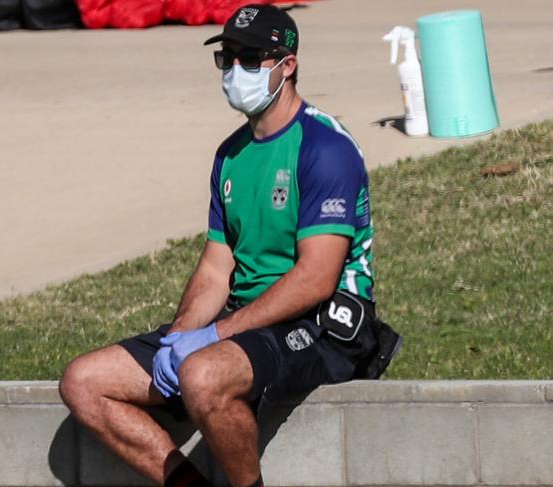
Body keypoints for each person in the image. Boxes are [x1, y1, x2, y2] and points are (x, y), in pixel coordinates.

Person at [59, 5, 402, 487]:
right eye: (228, 57)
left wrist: (214, 339)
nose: (235, 70)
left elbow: (316, 278)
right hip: (246, 320)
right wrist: (180, 339)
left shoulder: (325, 148)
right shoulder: (230, 154)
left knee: (202, 376)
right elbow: (216, 269)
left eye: (251, 58)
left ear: (288, 64)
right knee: (84, 382)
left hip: (324, 325)